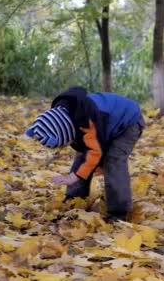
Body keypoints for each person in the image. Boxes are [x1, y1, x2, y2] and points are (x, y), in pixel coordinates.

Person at [26, 86, 145, 222]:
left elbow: (95, 152)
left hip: (129, 122)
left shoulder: (86, 123)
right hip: (104, 123)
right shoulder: (66, 114)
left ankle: (119, 213)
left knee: (113, 161)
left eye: (63, 144)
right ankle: (74, 200)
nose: (64, 148)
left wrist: (76, 176)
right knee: (83, 156)